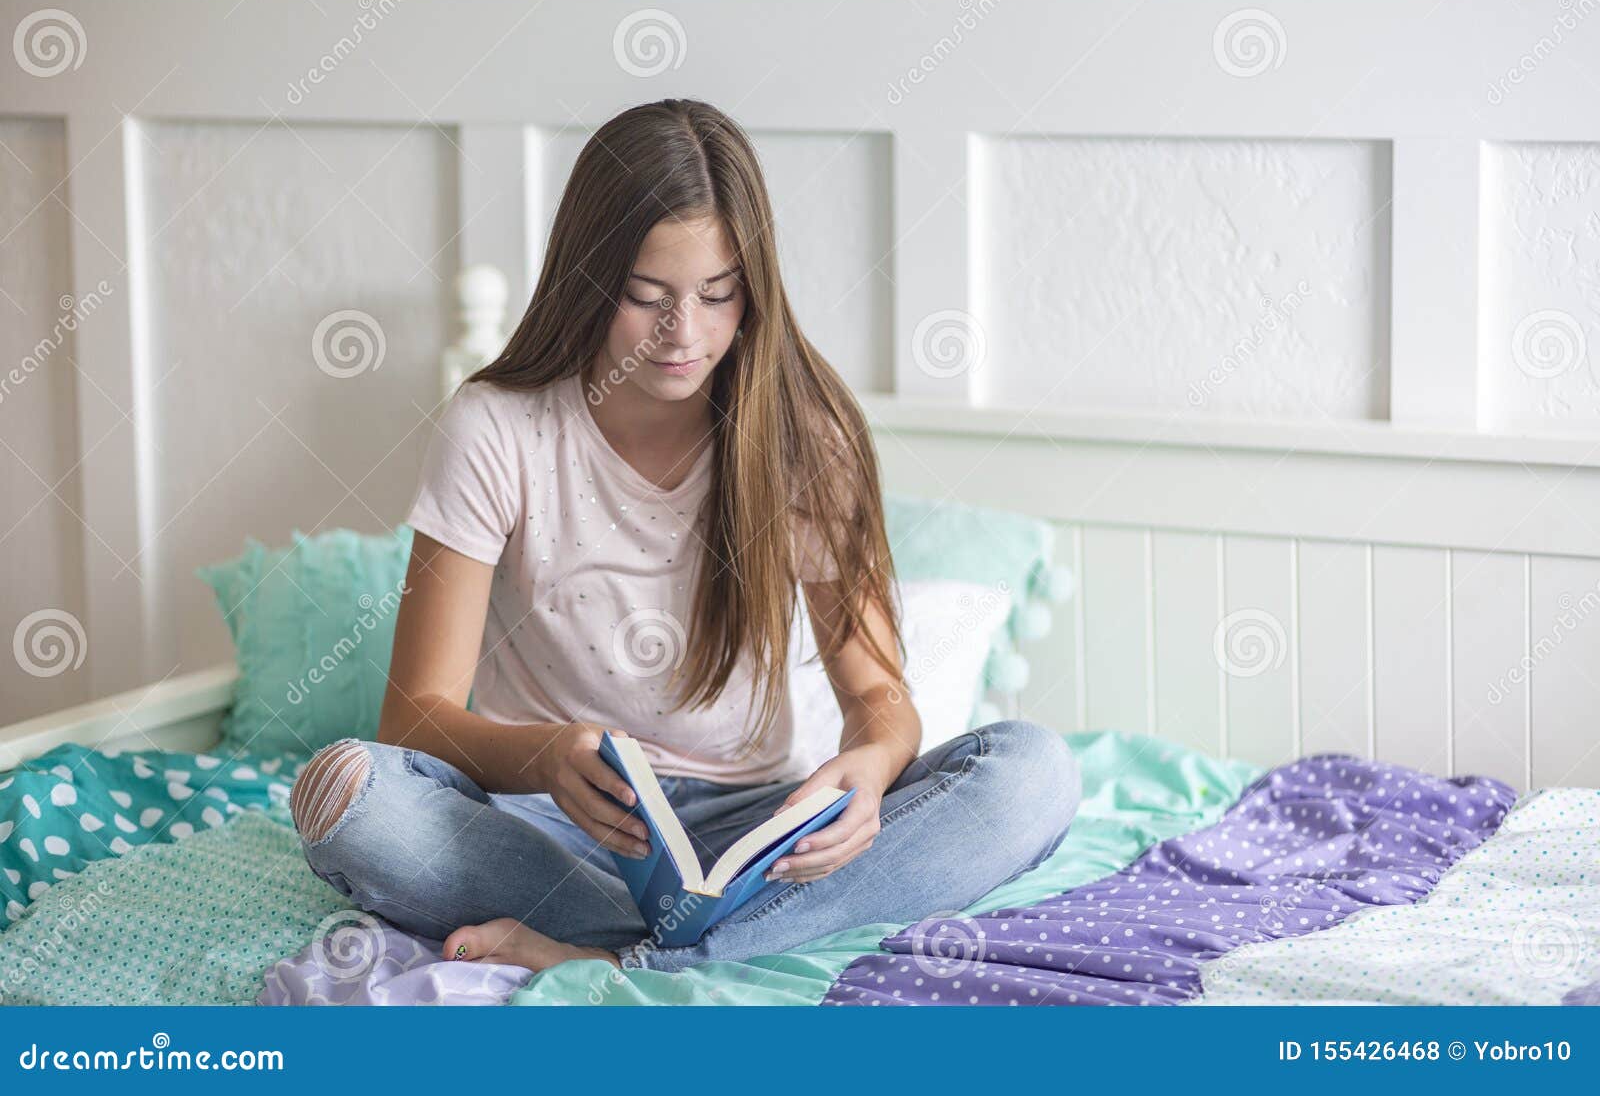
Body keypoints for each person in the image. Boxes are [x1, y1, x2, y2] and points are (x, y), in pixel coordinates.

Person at [288, 98, 1081, 975]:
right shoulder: (496, 426)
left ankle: (628, 956)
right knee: (348, 794)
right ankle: (694, 947)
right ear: (589, 279)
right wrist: (546, 756)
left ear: (755, 285)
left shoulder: (800, 432)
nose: (686, 335)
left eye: (718, 294)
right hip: (556, 830)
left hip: (755, 833)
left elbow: (878, 695)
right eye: (646, 297)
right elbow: (414, 717)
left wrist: (872, 757)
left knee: (1034, 771)